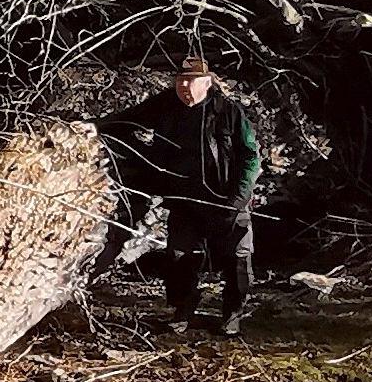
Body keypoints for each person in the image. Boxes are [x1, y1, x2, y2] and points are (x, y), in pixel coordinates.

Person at [101, 53, 265, 332]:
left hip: (227, 200)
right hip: (184, 199)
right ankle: (182, 312)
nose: (185, 87)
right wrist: (92, 127)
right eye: (180, 81)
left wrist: (238, 199)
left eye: (191, 81)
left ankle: (232, 314)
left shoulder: (228, 111)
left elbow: (251, 157)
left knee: (238, 258)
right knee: (180, 257)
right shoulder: (166, 105)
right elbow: (129, 120)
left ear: (207, 82)